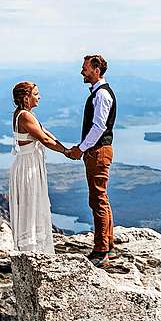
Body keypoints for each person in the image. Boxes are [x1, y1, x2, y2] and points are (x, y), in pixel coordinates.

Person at [64, 54, 117, 263]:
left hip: (98, 151)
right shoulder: (99, 93)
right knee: (100, 198)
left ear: (96, 69)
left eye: (85, 68)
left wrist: (81, 148)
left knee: (97, 199)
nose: (81, 72)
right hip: (98, 151)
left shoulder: (101, 95)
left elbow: (99, 127)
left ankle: (101, 251)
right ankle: (107, 244)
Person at [9, 81, 68, 254]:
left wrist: (66, 148)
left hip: (29, 163)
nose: (39, 97)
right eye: (36, 94)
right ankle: (31, 249)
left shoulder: (25, 114)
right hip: (28, 167)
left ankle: (34, 248)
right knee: (30, 204)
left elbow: (46, 133)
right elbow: (45, 140)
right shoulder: (25, 116)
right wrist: (66, 152)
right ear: (26, 98)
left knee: (33, 202)